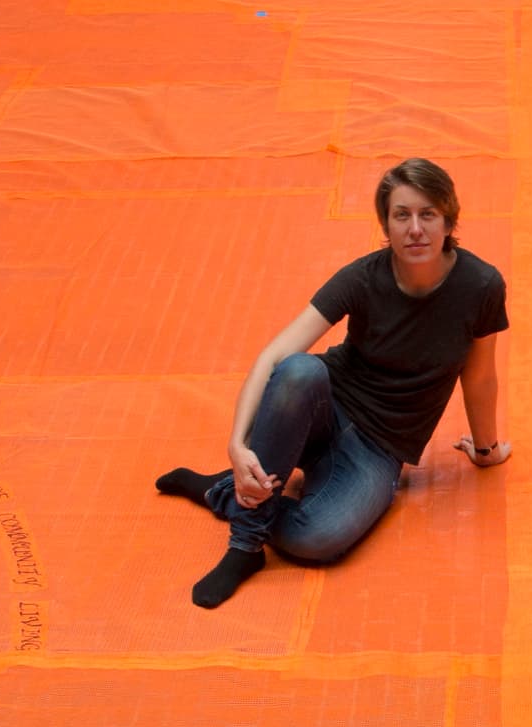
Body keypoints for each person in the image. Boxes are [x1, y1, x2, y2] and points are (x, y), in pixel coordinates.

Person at [156, 158, 511, 608]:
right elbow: (274, 355)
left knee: (319, 538)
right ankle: (245, 547)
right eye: (401, 215)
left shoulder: (481, 286)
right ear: (386, 223)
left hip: (379, 448)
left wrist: (486, 451)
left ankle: (223, 491)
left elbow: (479, 376)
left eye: (428, 214)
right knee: (298, 370)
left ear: (448, 220)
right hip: (322, 408)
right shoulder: (362, 278)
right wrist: (237, 443)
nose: (415, 229)